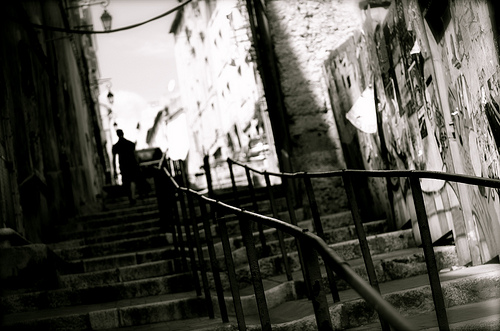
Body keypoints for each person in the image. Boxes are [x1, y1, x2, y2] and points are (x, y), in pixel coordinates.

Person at [112, 129, 140, 205]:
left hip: (123, 166)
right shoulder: (130, 144)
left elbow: (114, 160)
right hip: (131, 165)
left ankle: (131, 198)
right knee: (132, 181)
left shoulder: (116, 146)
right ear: (123, 133)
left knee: (126, 183)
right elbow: (135, 155)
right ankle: (133, 197)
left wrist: (114, 170)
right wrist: (137, 165)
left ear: (117, 135)